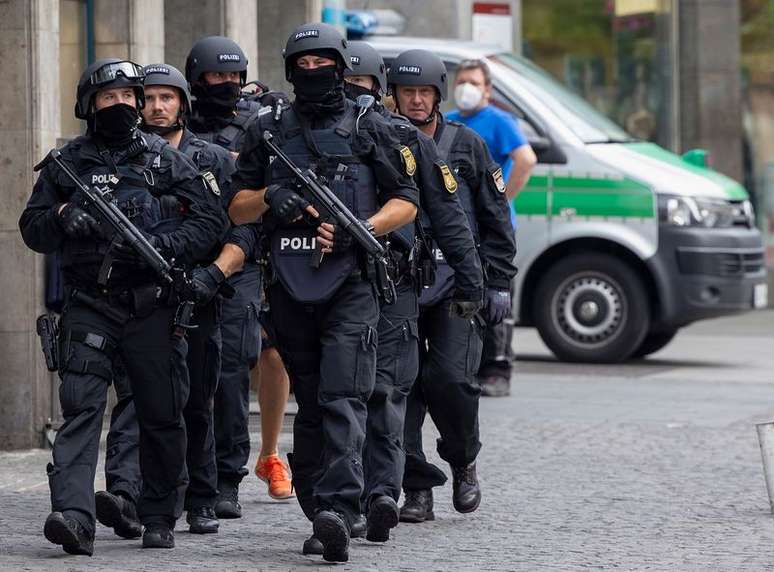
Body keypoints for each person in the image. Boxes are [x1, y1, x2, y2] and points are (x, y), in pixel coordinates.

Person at [19, 58, 227, 553]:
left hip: (152, 303)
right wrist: (65, 214)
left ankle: (157, 514)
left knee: (160, 413)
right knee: (81, 407)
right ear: (90, 106)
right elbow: (32, 227)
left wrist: (163, 245)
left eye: (127, 98)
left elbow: (209, 222)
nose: (120, 106)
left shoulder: (165, 159)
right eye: (108, 98)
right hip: (90, 302)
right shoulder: (67, 163)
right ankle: (73, 514)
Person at [228, 23, 419, 563]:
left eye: (323, 63)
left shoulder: (370, 124)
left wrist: (365, 226)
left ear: (339, 66)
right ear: (291, 70)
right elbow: (235, 206)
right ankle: (321, 510)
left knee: (343, 394)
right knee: (310, 401)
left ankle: (339, 506)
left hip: (353, 282)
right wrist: (272, 196)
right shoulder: (268, 128)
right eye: (303, 65)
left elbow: (406, 200)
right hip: (287, 284)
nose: (314, 73)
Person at [325, 41, 483, 548]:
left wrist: (478, 279)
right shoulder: (299, 135)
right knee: (345, 398)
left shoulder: (406, 139)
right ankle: (352, 499)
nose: (352, 96)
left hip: (400, 284)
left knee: (404, 388)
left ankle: (400, 486)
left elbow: (450, 213)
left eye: (362, 87)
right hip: (326, 287)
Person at [94, 62, 250, 538]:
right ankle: (127, 494)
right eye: (151, 98)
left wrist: (212, 274)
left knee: (197, 400)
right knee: (136, 401)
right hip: (138, 298)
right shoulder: (123, 157)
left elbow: (242, 230)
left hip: (197, 295)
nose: (158, 107)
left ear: (183, 103)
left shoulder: (215, 159)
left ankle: (201, 495)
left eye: (168, 98)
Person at [388, 49, 517, 523]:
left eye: (425, 92)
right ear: (393, 94)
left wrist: (497, 281)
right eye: (408, 92)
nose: (417, 101)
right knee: (401, 391)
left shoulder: (468, 144)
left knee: (450, 380)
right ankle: (416, 488)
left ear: (438, 95)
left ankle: (463, 460)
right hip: (399, 283)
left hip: (457, 286)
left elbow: (496, 218)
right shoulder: (381, 141)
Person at [185, 36, 294, 515]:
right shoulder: (175, 122)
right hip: (182, 258)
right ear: (197, 79)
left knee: (233, 366)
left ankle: (227, 475)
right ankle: (180, 473)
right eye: (217, 76)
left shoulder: (256, 127)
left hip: (242, 257)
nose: (227, 85)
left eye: (235, 76)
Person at [447, 58, 536, 397]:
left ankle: (497, 369)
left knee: (496, 296)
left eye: (473, 82)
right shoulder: (450, 122)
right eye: (461, 82)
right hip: (457, 226)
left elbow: (526, 160)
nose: (466, 88)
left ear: (487, 89)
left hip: (492, 229)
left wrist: (498, 204)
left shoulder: (499, 121)